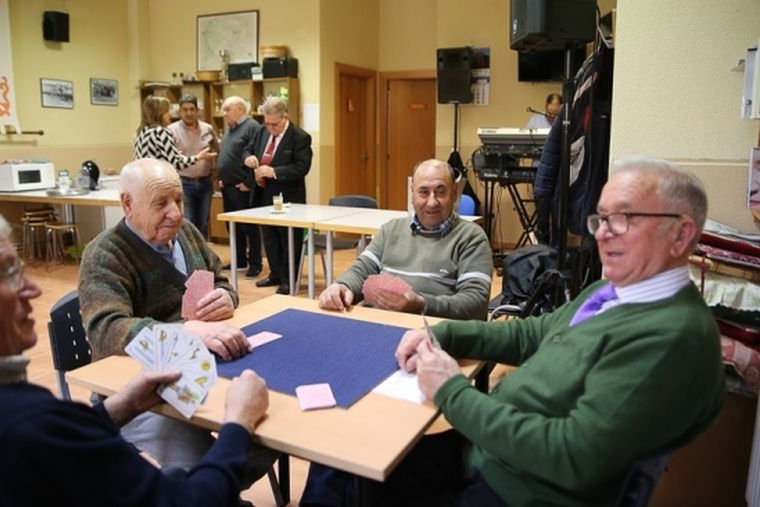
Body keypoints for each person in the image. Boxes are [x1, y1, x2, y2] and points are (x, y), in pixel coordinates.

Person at [304, 157, 726, 506]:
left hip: (517, 489)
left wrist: (451, 390)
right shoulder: (611, 291)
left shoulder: (672, 338)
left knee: (352, 479)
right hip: (491, 453)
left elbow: (570, 455)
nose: (603, 234)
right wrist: (442, 337)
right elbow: (529, 335)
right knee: (343, 456)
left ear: (681, 234)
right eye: (602, 218)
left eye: (626, 218)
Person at [0, 201, 269, 506]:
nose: (33, 289)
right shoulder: (24, 427)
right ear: (128, 204)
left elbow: (68, 442)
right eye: (7, 273)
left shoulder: (6, 407)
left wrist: (122, 407)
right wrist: (238, 425)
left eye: (178, 199)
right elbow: (186, 501)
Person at [79, 158, 260, 471]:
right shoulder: (104, 254)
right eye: (161, 203)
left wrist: (226, 297)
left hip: (201, 366)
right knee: (212, 463)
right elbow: (106, 329)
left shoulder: (186, 233)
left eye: (179, 200)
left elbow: (219, 278)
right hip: (139, 393)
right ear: (127, 204)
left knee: (266, 421)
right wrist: (185, 332)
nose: (175, 213)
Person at [318, 159, 492, 321]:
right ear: (412, 193)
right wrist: (342, 286)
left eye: (440, 192)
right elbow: (361, 270)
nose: (432, 202)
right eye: (423, 192)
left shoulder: (471, 237)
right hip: (379, 323)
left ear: (454, 193)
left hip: (433, 333)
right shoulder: (390, 230)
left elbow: (475, 303)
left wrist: (421, 304)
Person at [243, 96, 313, 295]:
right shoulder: (262, 131)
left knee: (288, 239)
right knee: (270, 238)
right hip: (264, 195)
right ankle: (275, 274)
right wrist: (248, 158)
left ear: (285, 117)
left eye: (275, 124)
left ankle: (289, 279)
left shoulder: (300, 137)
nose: (271, 128)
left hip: (288, 197)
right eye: (267, 124)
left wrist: (273, 172)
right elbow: (247, 148)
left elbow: (301, 168)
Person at [217, 96, 263, 278]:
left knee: (248, 227)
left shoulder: (252, 127)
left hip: (242, 186)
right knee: (233, 226)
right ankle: (240, 260)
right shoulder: (231, 129)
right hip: (228, 186)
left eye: (227, 109)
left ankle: (255, 263)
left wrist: (248, 182)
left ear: (240, 109)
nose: (224, 113)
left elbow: (256, 155)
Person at [133, 95, 217, 186]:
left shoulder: (140, 131)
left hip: (144, 183)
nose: (170, 114)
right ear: (161, 114)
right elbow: (177, 163)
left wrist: (174, 155)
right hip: (158, 184)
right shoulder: (160, 132)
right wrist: (198, 157)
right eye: (167, 111)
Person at [168, 94, 220, 237]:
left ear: (197, 111)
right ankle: (190, 257)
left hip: (205, 183)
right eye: (185, 110)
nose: (189, 113)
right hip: (184, 183)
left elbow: (217, 149)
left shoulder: (207, 128)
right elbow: (170, 158)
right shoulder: (171, 130)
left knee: (203, 223)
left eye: (192, 109)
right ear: (180, 111)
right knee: (188, 222)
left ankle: (202, 257)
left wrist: (216, 170)